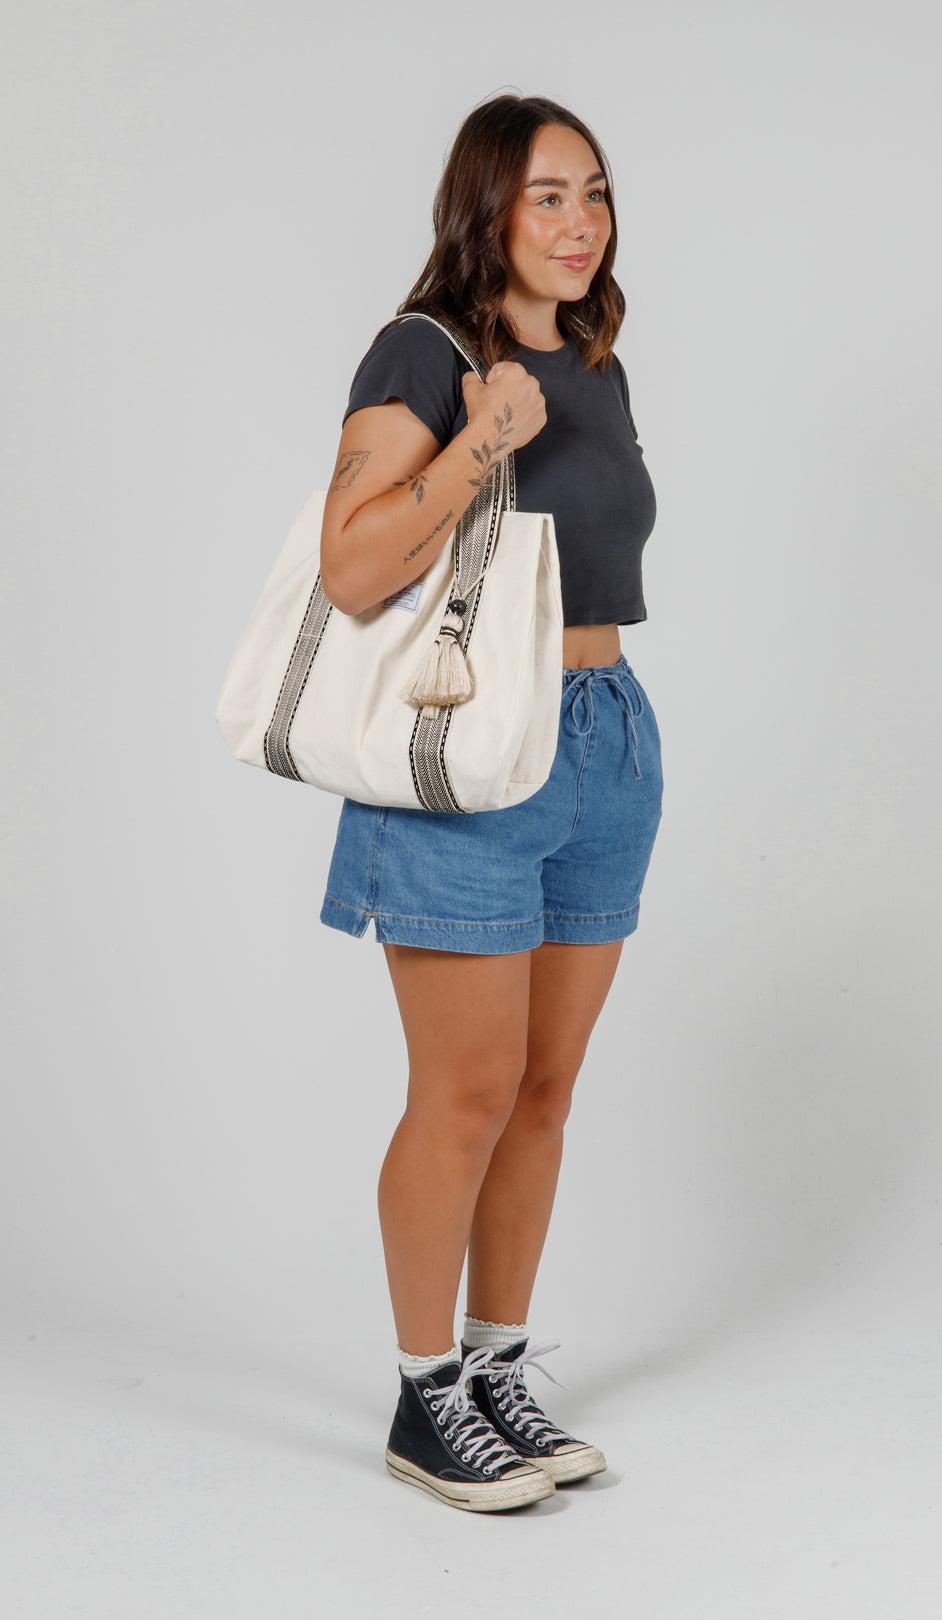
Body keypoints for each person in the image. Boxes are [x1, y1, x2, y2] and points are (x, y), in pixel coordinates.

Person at [318, 94, 662, 1512]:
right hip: (465, 756)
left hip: (605, 737)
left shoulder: (595, 357)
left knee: (542, 1089)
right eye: (545, 199)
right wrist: (479, 443)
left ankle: (498, 1365)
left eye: (592, 193)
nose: (578, 223)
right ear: (486, 213)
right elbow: (351, 567)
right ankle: (421, 1401)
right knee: (461, 1094)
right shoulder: (427, 355)